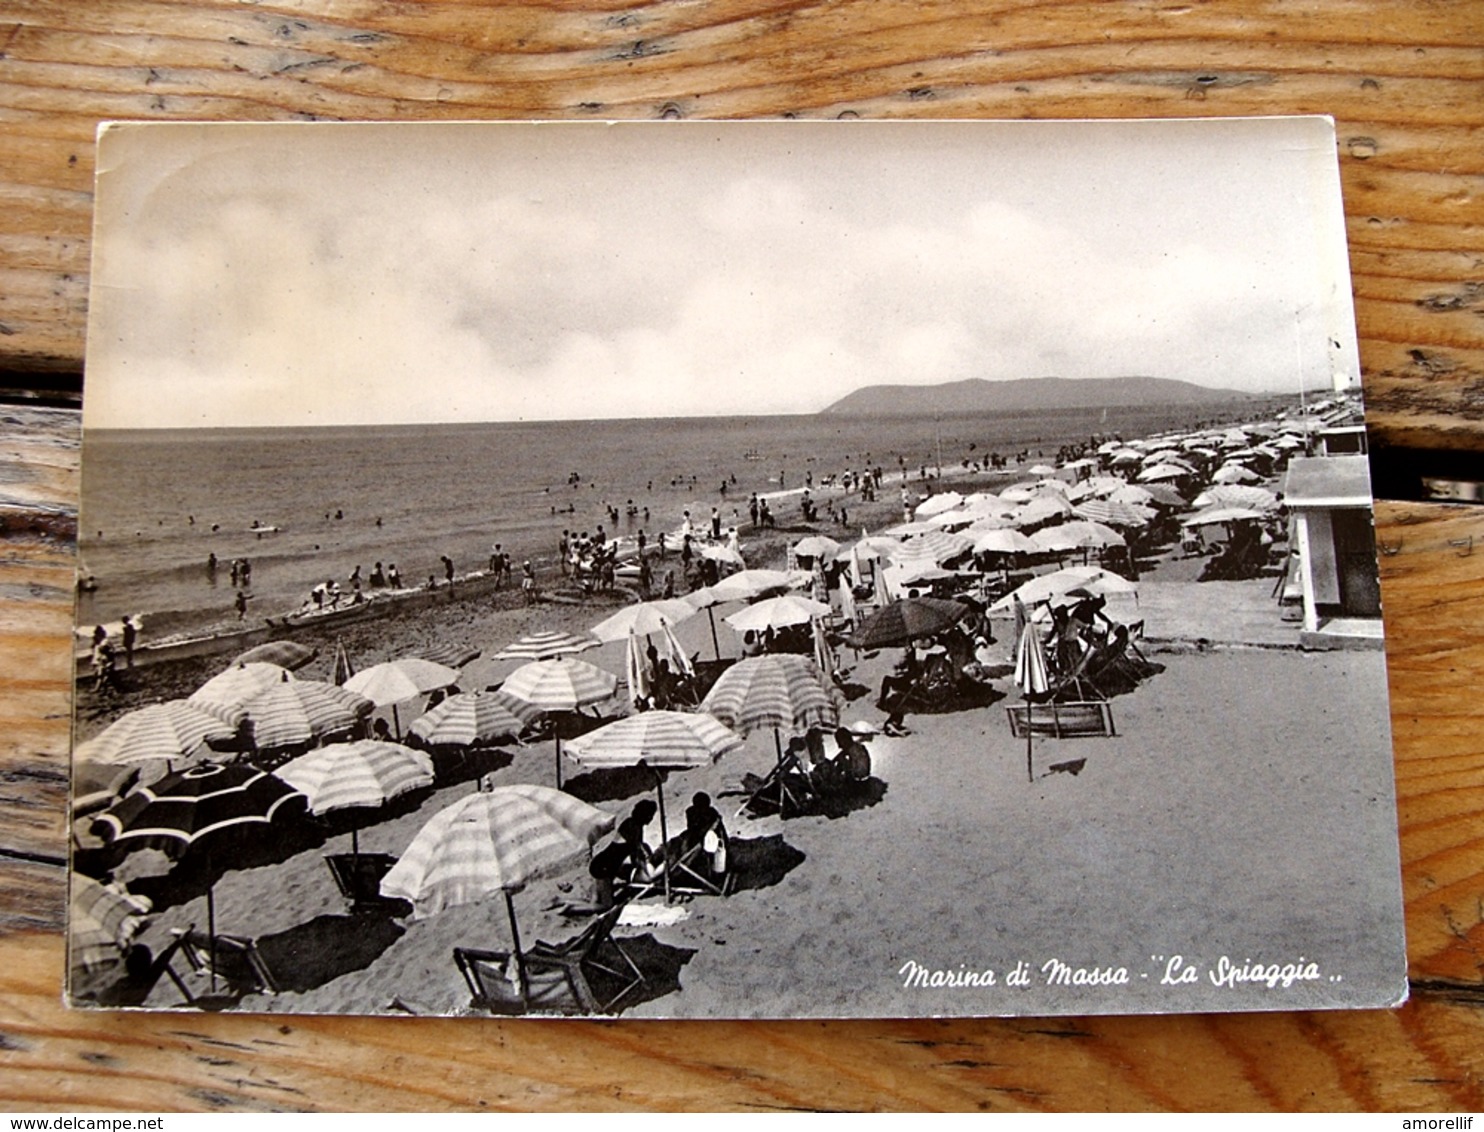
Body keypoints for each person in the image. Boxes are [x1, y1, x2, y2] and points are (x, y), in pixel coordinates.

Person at [683, 791, 729, 885]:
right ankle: (715, 874)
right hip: (698, 839)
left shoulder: (707, 812)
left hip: (702, 839)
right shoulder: (694, 813)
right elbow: (694, 829)